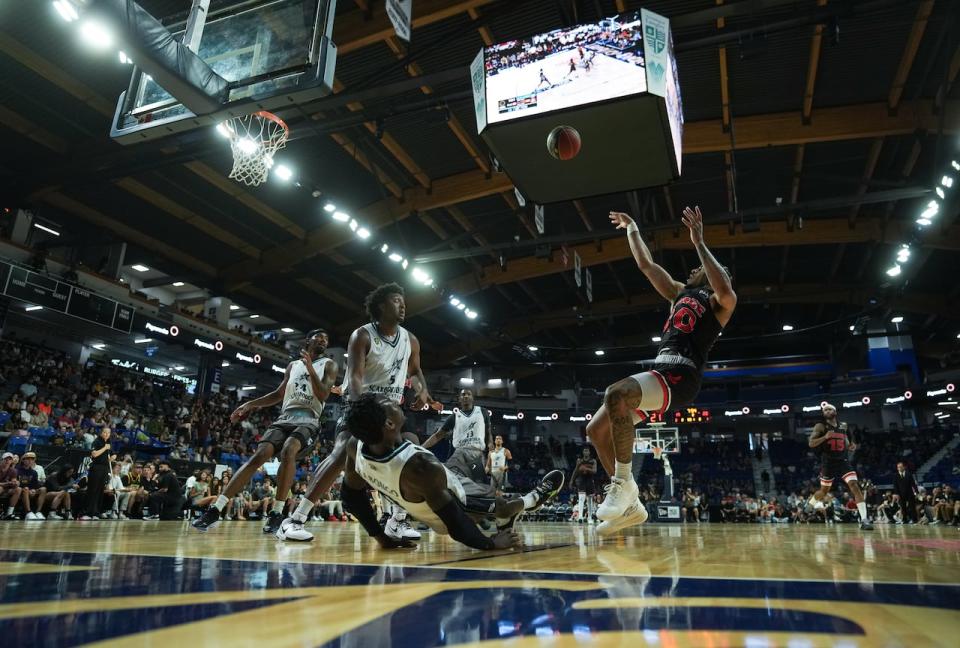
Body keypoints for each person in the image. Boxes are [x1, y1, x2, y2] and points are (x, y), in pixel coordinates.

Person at [587, 207, 737, 536]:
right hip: (661, 374)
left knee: (616, 393)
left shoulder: (719, 303)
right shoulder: (678, 292)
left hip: (681, 376)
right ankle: (631, 507)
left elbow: (725, 287)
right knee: (596, 432)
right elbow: (645, 265)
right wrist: (633, 229)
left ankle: (623, 483)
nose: (698, 267)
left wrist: (699, 242)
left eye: (707, 267)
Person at [292, 392, 563, 550]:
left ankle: (504, 515)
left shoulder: (356, 445)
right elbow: (456, 525)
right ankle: (530, 501)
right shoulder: (420, 467)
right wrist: (493, 543)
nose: (395, 402)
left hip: (426, 497)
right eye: (390, 404)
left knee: (486, 501)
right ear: (388, 423)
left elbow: (352, 498)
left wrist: (380, 537)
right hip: (450, 503)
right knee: (500, 504)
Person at [277, 284, 434, 542]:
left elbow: (415, 371)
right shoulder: (362, 335)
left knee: (407, 452)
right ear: (381, 306)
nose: (403, 305)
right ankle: (294, 520)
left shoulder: (411, 339)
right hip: (361, 405)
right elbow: (355, 378)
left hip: (391, 412)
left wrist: (422, 391)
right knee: (341, 453)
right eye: (396, 301)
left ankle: (396, 520)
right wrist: (364, 410)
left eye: (403, 301)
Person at [193, 329, 337, 533]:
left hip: (309, 418)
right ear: (308, 340)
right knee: (259, 456)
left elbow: (323, 394)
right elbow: (279, 394)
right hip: (286, 416)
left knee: (289, 450)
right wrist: (250, 404)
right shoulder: (292, 366)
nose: (323, 340)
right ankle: (215, 509)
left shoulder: (329, 365)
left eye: (326, 339)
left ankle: (277, 513)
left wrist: (310, 369)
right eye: (318, 337)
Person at [808, 403, 873, 530]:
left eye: (829, 409)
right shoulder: (820, 426)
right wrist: (825, 437)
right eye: (824, 410)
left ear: (835, 412)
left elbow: (848, 440)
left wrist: (851, 445)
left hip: (843, 461)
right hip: (828, 462)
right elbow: (811, 443)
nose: (826, 411)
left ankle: (864, 519)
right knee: (824, 491)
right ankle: (809, 505)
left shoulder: (843, 425)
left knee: (854, 485)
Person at [423, 389, 491, 484]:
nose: (466, 396)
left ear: (472, 398)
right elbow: (438, 435)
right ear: (459, 399)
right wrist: (421, 447)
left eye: (468, 394)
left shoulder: (482, 412)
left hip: (476, 453)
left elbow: (488, 432)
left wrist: (491, 452)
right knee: (446, 480)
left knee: (479, 485)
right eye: (463, 394)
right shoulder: (454, 416)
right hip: (459, 452)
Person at [81, 427, 113, 520]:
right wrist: (105, 448)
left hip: (105, 468)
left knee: (100, 491)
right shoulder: (97, 442)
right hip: (96, 468)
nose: (106, 434)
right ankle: (87, 512)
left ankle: (96, 512)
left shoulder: (109, 443)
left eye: (108, 433)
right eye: (105, 432)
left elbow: (111, 454)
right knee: (93, 490)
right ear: (101, 433)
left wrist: (113, 456)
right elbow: (94, 454)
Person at [16, 452, 48, 520]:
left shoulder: (34, 472)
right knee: (26, 489)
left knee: (43, 489)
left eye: (32, 459)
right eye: (28, 459)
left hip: (30, 490)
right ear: (23, 460)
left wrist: (33, 489)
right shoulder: (17, 470)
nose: (30, 461)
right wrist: (29, 489)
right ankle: (28, 512)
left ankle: (38, 512)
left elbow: (35, 485)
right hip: (21, 490)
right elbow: (17, 484)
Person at [572, 447, 597, 523]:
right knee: (581, 499)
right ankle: (580, 517)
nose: (586, 452)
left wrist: (586, 469)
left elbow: (595, 471)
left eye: (587, 451)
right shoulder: (579, 461)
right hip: (581, 480)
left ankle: (589, 518)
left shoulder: (593, 461)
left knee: (589, 500)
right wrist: (571, 480)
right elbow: (576, 471)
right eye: (584, 451)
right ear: (583, 452)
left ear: (589, 452)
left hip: (589, 481)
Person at [1, 452, 25, 520]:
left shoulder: (13, 470)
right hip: (1, 487)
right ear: (2, 459)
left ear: (11, 461)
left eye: (9, 459)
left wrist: (16, 483)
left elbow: (13, 481)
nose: (7, 461)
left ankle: (9, 513)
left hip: (7, 488)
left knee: (19, 489)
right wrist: (6, 484)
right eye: (6, 459)